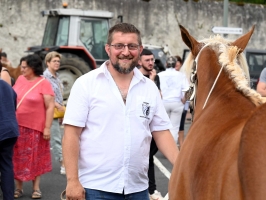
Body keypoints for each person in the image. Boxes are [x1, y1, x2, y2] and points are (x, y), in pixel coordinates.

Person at [62, 22, 179, 200]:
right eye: (119, 46)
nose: (125, 52)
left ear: (140, 50)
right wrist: (72, 181)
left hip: (138, 189)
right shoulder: (86, 84)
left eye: (132, 46)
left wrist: (183, 167)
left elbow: (161, 132)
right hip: (95, 188)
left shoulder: (149, 88)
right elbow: (71, 134)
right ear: (108, 49)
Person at [12, 54, 55, 199]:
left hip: (36, 128)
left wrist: (47, 127)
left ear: (33, 68)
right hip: (17, 126)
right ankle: (18, 188)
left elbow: (50, 107)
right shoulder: (19, 79)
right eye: (21, 66)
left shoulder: (44, 83)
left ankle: (36, 188)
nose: (21, 69)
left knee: (35, 157)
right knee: (17, 157)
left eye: (24, 67)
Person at [138, 48, 163, 200]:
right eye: (147, 60)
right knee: (146, 157)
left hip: (153, 124)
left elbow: (159, 98)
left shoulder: (155, 77)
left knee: (148, 157)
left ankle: (151, 190)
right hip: (141, 123)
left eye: (152, 60)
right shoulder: (136, 77)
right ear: (140, 62)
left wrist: (153, 81)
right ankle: (150, 189)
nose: (151, 63)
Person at [158, 56, 189, 144]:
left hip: (164, 102)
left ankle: (163, 144)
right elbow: (186, 89)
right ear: (175, 64)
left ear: (166, 64)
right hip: (176, 102)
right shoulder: (181, 75)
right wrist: (184, 99)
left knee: (164, 126)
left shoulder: (160, 75)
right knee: (174, 127)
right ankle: (172, 146)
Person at [43, 51, 66, 175]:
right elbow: (48, 96)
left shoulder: (56, 76)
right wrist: (58, 106)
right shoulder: (45, 77)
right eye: (54, 61)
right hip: (50, 110)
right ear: (48, 63)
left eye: (58, 61)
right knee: (56, 138)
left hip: (57, 110)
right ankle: (63, 164)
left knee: (59, 137)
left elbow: (58, 95)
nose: (57, 63)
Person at [0, 61, 19, 200]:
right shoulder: (8, 87)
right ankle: (8, 197)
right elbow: (13, 107)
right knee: (6, 165)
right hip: (11, 130)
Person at [174, 55, 190, 148]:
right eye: (174, 61)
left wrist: (185, 98)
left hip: (182, 104)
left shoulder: (184, 75)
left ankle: (181, 144)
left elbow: (188, 88)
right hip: (171, 103)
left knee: (181, 125)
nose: (176, 63)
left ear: (180, 63)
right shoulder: (167, 75)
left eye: (177, 61)